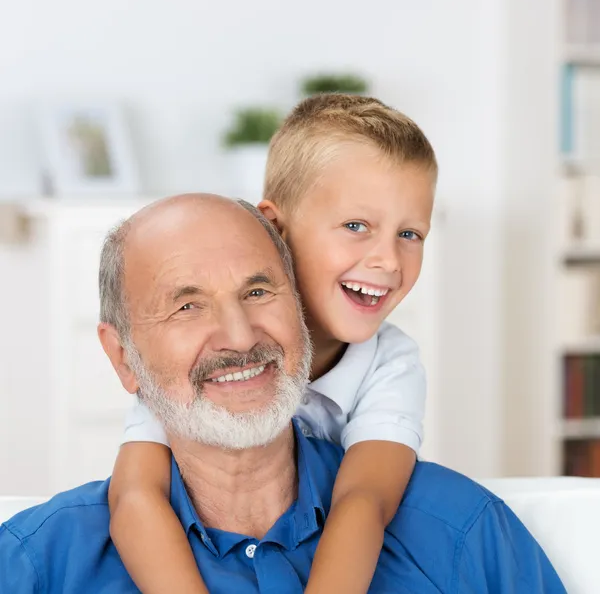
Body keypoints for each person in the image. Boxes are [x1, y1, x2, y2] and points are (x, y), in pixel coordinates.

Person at [0, 194, 566, 593]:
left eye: (258, 290)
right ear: (123, 357)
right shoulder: (37, 565)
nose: (241, 337)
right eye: (188, 306)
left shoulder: (462, 533)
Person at [110, 94, 436, 594]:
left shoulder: (390, 364)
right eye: (356, 226)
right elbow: (135, 497)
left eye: (410, 233)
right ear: (275, 228)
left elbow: (364, 503)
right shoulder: (209, 359)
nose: (389, 261)